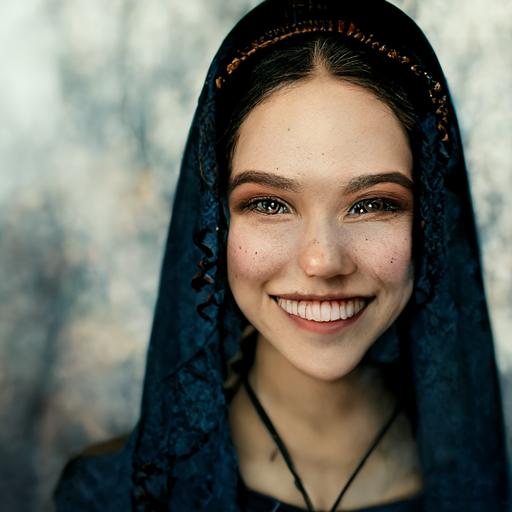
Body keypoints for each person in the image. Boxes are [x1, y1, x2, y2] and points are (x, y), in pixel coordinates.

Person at [55, 1, 509, 511]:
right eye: (269, 204)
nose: (322, 261)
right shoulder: (106, 498)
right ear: (214, 219)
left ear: (428, 222)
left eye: (374, 204)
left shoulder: (491, 488)